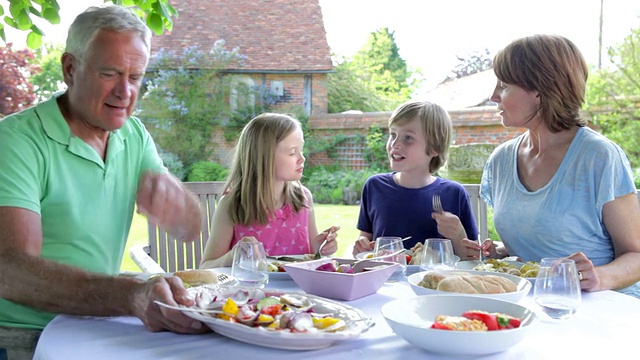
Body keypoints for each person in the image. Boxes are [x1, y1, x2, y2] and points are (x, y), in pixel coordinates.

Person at [0, 5, 209, 358]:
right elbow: (12, 270)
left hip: (96, 323)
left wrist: (180, 207)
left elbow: (191, 229)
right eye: (110, 73)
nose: (124, 92)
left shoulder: (134, 135)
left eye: (136, 77)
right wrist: (129, 295)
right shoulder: (16, 141)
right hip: (24, 335)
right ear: (70, 68)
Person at [464, 34, 640, 298]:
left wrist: (598, 276)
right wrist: (500, 251)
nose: (493, 96)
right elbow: (540, 246)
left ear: (539, 91)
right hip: (535, 304)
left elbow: (635, 255)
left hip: (603, 308)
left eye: (504, 86)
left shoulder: (598, 156)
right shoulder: (501, 160)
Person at [200, 113, 339, 269]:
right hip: (252, 291)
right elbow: (206, 266)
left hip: (300, 293)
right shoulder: (232, 205)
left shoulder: (303, 197)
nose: (302, 158)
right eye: (293, 152)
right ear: (264, 157)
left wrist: (320, 248)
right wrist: (234, 255)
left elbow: (312, 259)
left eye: (301, 150)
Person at [352, 100, 478, 258]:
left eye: (408, 138)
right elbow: (365, 238)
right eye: (393, 135)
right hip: (385, 280)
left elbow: (472, 259)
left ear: (434, 148)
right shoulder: (374, 187)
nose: (395, 144)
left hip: (433, 281)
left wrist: (458, 234)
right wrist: (361, 246)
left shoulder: (454, 193)